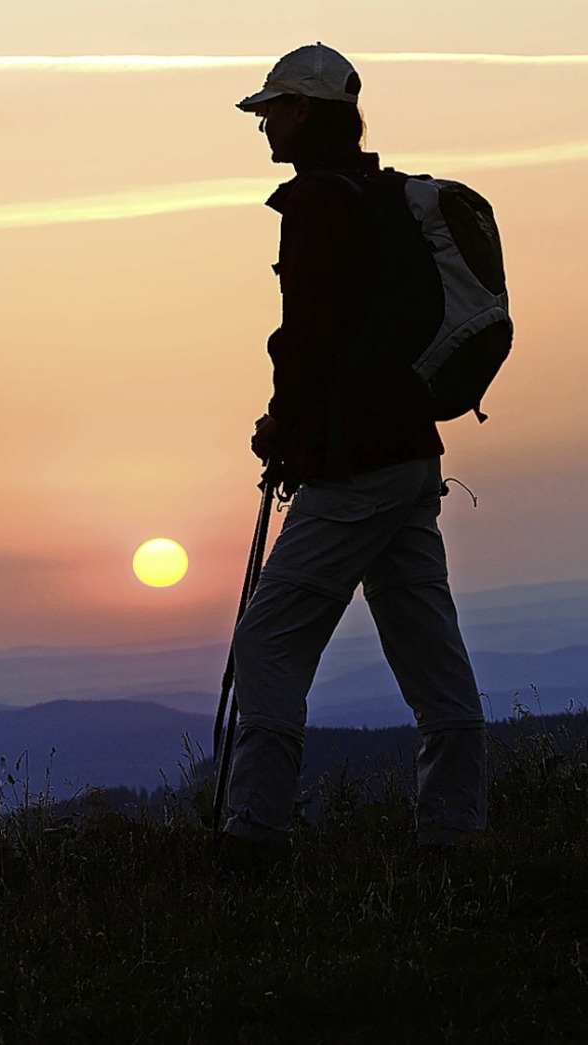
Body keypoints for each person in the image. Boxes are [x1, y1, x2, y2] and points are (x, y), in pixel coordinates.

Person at [220, 43, 487, 868]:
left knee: (267, 643)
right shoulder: (382, 197)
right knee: (429, 648)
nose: (266, 123)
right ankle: (453, 834)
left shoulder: (316, 206)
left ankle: (255, 838)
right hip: (409, 456)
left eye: (277, 109)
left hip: (354, 465)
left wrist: (279, 428)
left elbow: (306, 340)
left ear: (309, 113)